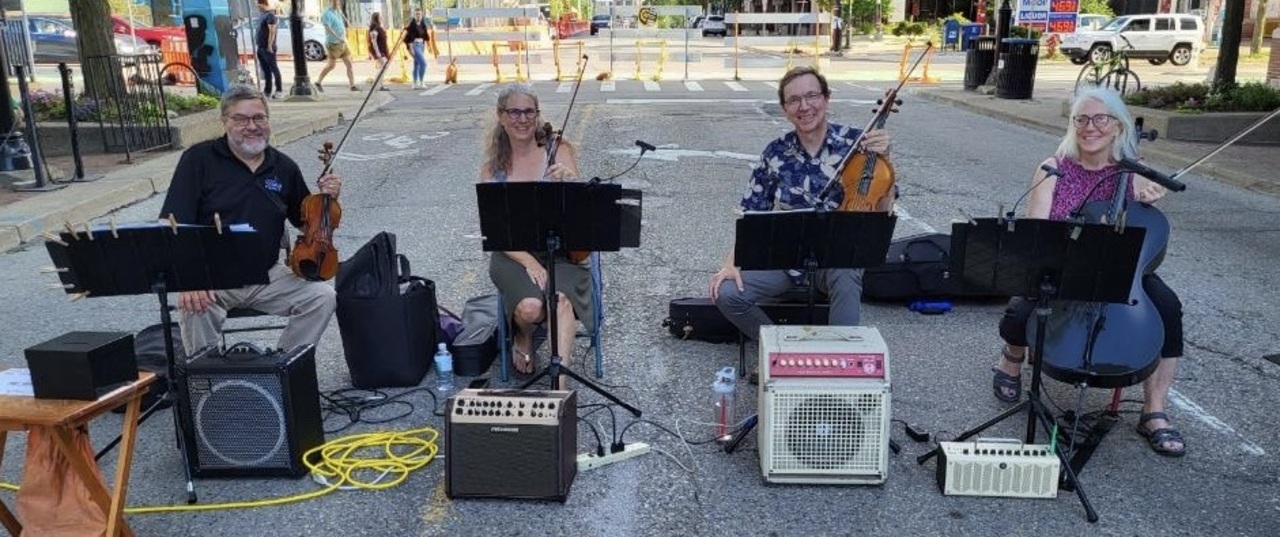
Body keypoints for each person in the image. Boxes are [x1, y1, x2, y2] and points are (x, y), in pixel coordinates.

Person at [991, 87, 1186, 457]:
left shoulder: (1132, 173)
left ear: (1118, 127)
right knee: (1022, 307)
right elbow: (1038, 230)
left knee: (1167, 307)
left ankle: (1154, 409)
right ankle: (1012, 360)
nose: (1089, 127)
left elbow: (1146, 237)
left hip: (1120, 269)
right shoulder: (1053, 168)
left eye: (1101, 119)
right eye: (1081, 119)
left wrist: (1145, 196)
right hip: (1062, 263)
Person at [708, 66, 891, 358]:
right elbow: (750, 213)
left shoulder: (859, 145)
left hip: (834, 261)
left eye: (811, 96)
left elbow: (882, 209)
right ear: (785, 109)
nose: (804, 106)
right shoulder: (775, 153)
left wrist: (885, 160)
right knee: (726, 292)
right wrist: (731, 264)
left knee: (847, 271)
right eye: (794, 100)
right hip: (784, 262)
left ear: (826, 99)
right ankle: (781, 354)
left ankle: (838, 363)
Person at [160, 84, 341, 357]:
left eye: (259, 118)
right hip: (213, 276)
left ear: (268, 120)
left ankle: (283, 369)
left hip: (267, 274)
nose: (251, 126)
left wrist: (328, 200)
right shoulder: (199, 159)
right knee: (194, 303)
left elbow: (307, 225)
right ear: (225, 121)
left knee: (322, 297)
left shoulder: (283, 167)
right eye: (241, 119)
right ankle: (208, 383)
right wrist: (189, 278)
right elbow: (173, 224)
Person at [478, 84, 592, 385]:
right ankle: (523, 335)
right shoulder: (493, 169)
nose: (522, 119)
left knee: (560, 301)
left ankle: (559, 389)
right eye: (514, 112)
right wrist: (531, 263)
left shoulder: (559, 151)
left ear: (537, 114)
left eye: (529, 111)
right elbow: (496, 231)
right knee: (531, 309)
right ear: (501, 117)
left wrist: (570, 183)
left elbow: (581, 214)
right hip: (513, 252)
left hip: (561, 250)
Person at [315, 0, 359, 92]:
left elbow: (340, 24)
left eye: (338, 3)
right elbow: (328, 29)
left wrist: (347, 29)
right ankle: (318, 82)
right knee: (331, 66)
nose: (337, 4)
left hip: (342, 43)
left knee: (349, 64)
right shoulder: (326, 14)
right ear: (330, 2)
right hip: (333, 43)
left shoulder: (338, 11)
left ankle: (352, 85)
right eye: (335, 3)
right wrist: (338, 37)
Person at [255, 0, 283, 98]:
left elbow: (272, 31)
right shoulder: (262, 14)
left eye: (258, 4)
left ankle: (279, 90)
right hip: (261, 46)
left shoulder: (270, 15)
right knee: (266, 70)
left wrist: (270, 45)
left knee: (273, 68)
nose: (256, 6)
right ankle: (267, 90)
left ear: (263, 4)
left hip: (268, 47)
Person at [402, 9, 434, 89]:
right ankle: (421, 81)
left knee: (416, 65)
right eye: (416, 14)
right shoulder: (411, 25)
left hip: (422, 45)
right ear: (414, 15)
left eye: (419, 14)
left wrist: (429, 46)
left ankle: (414, 82)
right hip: (415, 46)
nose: (418, 16)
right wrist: (410, 49)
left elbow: (426, 36)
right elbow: (408, 38)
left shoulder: (423, 24)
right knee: (423, 64)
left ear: (422, 15)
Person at [367, 12, 390, 91]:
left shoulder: (378, 27)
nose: (381, 19)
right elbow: (374, 42)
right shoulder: (375, 28)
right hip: (379, 51)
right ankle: (377, 84)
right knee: (384, 66)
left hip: (382, 50)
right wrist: (378, 53)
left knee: (383, 67)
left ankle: (380, 85)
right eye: (380, 17)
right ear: (376, 18)